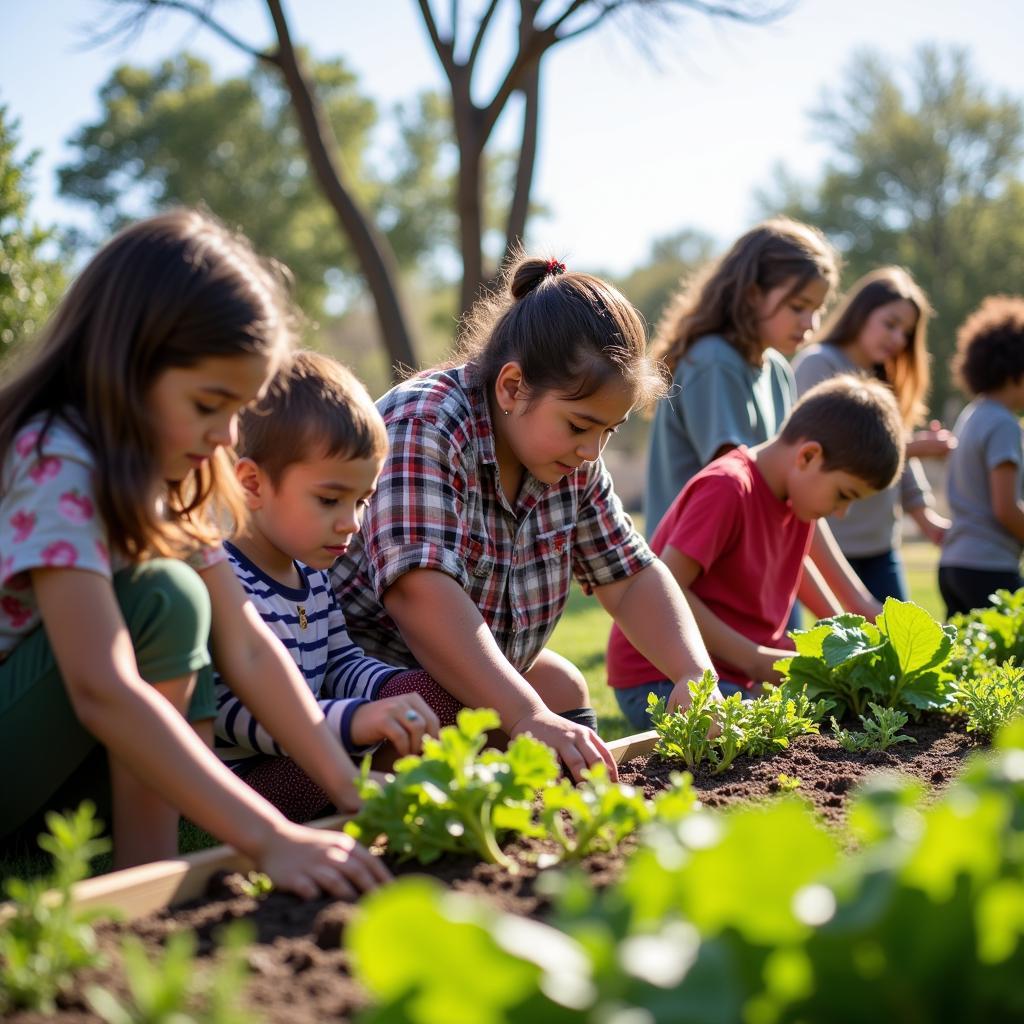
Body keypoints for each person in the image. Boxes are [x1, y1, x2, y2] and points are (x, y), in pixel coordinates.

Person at [0, 209, 388, 900]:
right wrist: (271, 836)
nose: (225, 436)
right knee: (165, 596)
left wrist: (348, 786)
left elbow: (248, 646)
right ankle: (146, 872)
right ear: (128, 365)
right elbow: (101, 686)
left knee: (181, 597)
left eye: (237, 408)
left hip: (53, 772)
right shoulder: (54, 456)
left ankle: (146, 882)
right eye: (210, 403)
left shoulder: (175, 475)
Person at [332, 254, 718, 780]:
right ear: (512, 387)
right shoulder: (426, 423)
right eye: (581, 425)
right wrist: (526, 715)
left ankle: (554, 808)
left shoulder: (571, 460)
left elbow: (629, 576)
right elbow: (418, 593)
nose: (592, 449)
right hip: (360, 678)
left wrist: (694, 675)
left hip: (454, 676)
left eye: (609, 431)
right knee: (437, 710)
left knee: (560, 686)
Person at [214, 350, 441, 822]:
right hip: (253, 778)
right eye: (329, 499)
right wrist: (352, 720)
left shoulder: (312, 574)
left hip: (318, 745)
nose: (351, 523)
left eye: (361, 501)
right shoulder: (221, 580)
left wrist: (391, 690)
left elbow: (339, 661)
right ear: (252, 483)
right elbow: (229, 712)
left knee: (439, 691)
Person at [607, 375, 905, 728]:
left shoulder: (797, 501)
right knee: (776, 728)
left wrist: (851, 647)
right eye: (844, 495)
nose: (841, 512)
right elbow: (666, 588)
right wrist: (756, 660)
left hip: (736, 676)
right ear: (809, 456)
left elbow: (821, 593)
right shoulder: (729, 488)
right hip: (660, 679)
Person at [644, 217, 879, 624]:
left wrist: (855, 605)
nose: (811, 324)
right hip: (699, 585)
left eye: (818, 310)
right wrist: (844, 617)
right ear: (753, 296)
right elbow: (754, 504)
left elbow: (796, 499)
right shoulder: (714, 362)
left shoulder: (777, 371)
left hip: (758, 572)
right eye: (797, 307)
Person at [793, 267, 954, 603]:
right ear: (862, 313)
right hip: (827, 545)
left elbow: (903, 464)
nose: (898, 339)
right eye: (891, 324)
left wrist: (925, 518)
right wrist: (914, 447)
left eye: (907, 333)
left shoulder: (884, 379)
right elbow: (830, 446)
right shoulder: (817, 364)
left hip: (881, 546)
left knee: (898, 647)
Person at [939, 296, 1024, 616]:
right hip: (989, 567)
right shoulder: (1004, 424)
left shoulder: (972, 414)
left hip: (953, 565)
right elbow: (1005, 508)